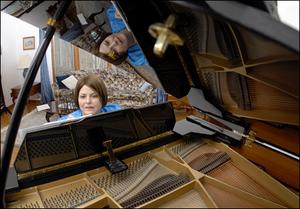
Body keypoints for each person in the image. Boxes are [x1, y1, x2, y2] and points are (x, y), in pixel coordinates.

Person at [98, 4, 166, 103]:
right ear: (122, 55)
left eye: (107, 42)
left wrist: (122, 8)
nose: (114, 42)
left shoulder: (113, 15)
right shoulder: (139, 58)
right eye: (114, 51)